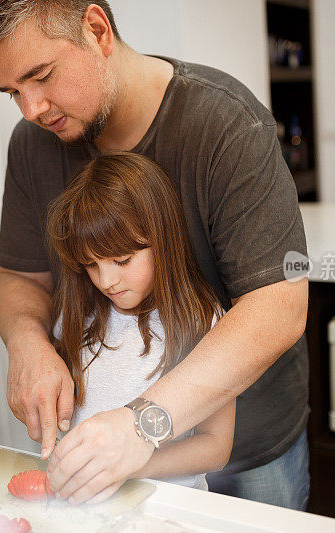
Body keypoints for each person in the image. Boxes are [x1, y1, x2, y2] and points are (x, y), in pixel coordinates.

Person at [0, 0, 310, 509]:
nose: (31, 109)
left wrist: (141, 427)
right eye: (13, 92)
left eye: (42, 77)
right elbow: (19, 277)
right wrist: (27, 343)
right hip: (110, 463)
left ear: (96, 30)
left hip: (249, 451)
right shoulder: (32, 146)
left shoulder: (227, 124)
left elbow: (280, 307)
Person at [46, 152, 235, 498]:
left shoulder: (201, 321)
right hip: (89, 504)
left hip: (170, 505)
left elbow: (215, 447)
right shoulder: (78, 317)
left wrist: (128, 464)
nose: (107, 280)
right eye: (90, 264)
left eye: (122, 260)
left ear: (163, 239)